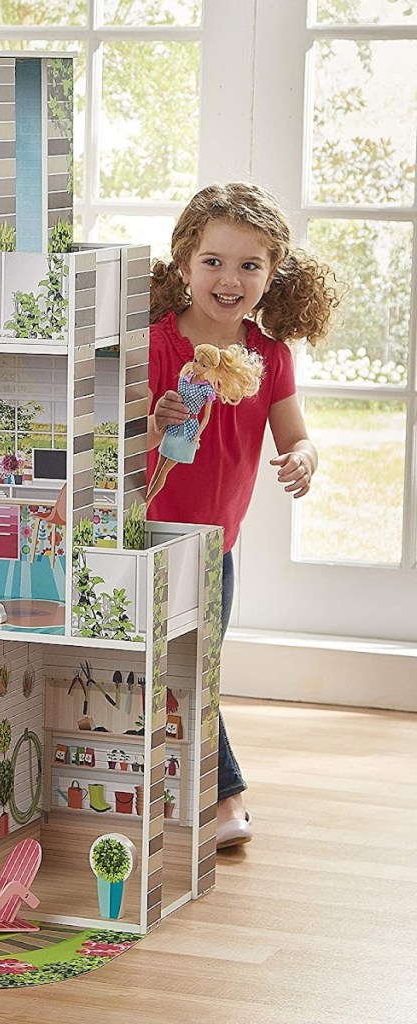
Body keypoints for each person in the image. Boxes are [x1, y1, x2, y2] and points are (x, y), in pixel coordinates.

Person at [147, 182, 340, 849]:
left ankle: (206, 793)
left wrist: (304, 462)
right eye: (214, 262)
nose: (229, 279)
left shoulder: (271, 358)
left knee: (195, 666)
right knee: (174, 667)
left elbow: (297, 438)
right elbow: (105, 437)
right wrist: (152, 422)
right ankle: (226, 796)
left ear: (271, 276)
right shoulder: (154, 347)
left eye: (249, 266)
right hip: (145, 535)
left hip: (213, 548)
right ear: (183, 266)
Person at [145, 343, 264, 508]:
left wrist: (197, 435)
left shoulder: (207, 390)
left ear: (210, 368)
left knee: (165, 469)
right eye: (196, 360)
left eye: (203, 364)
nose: (196, 366)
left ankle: (147, 501)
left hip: (188, 429)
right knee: (158, 466)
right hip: (173, 426)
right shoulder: (186, 377)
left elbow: (206, 417)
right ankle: (145, 500)